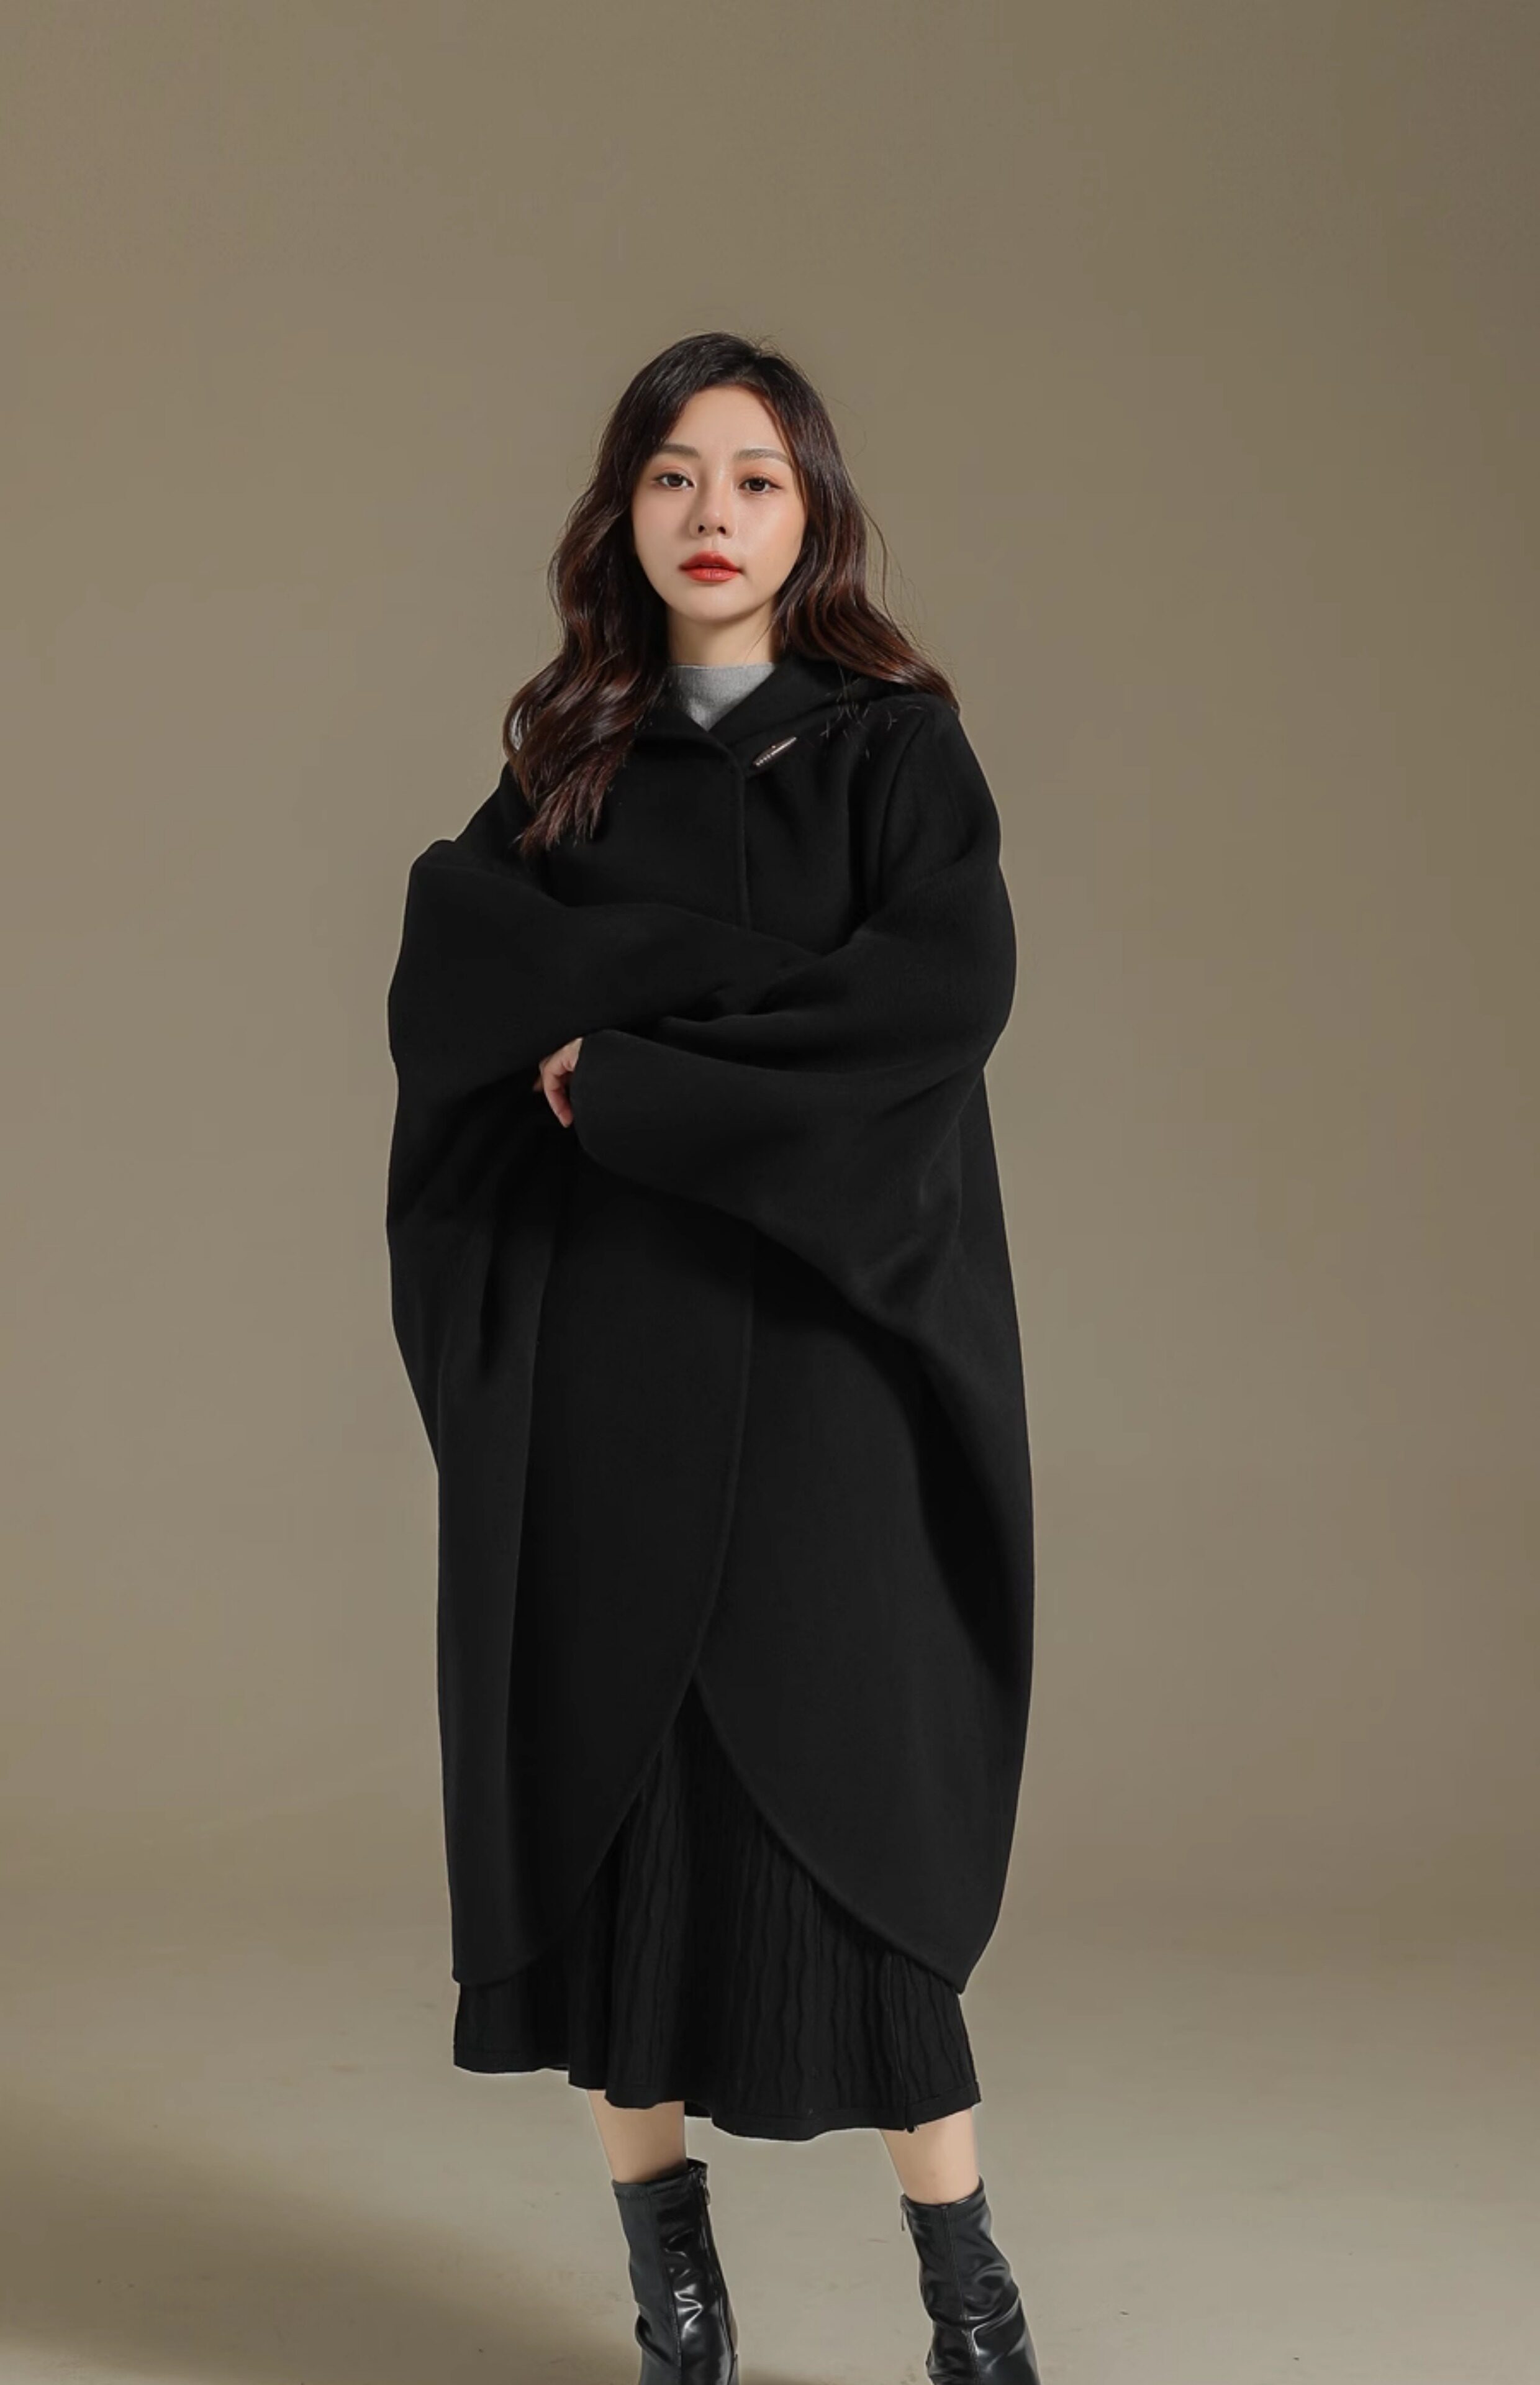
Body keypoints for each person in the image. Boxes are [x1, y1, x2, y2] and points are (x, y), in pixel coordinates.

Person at [384, 330, 1042, 2384]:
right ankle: (674, 2294)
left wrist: (645, 1070)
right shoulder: (566, 769)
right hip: (615, 1368)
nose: (713, 514)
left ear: (811, 514)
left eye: (754, 478)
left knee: (850, 1820)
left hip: (825, 1361)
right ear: (627, 511)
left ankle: (970, 2298)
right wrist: (695, 1027)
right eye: (674, 475)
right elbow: (457, 985)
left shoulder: (896, 756)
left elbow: (930, 1008)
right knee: (623, 1824)